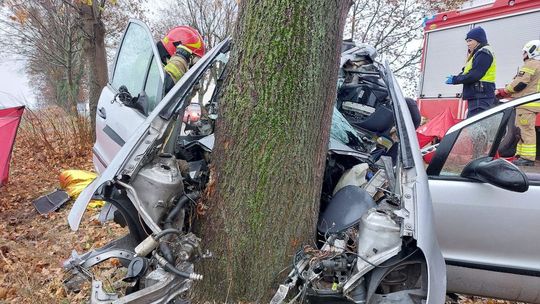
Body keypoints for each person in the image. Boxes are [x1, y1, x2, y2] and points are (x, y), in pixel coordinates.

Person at [495, 40, 540, 166]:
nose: (523, 55)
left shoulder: (531, 64)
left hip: (526, 104)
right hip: (532, 104)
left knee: (526, 130)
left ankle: (528, 158)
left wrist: (504, 91)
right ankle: (520, 155)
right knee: (521, 130)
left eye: (524, 52)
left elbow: (519, 83)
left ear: (531, 52)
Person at [445, 27, 497, 118]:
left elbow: (474, 75)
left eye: (470, 41)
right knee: (476, 128)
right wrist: (457, 77)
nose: (468, 44)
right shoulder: (478, 53)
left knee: (476, 129)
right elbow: (468, 72)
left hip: (480, 96)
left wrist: (455, 79)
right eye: (467, 41)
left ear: (478, 40)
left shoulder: (484, 53)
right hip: (479, 95)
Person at [156, 26, 206, 92]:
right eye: (190, 59)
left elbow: (182, 100)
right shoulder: (152, 63)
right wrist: (181, 60)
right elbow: (164, 87)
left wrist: (193, 79)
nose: (188, 64)